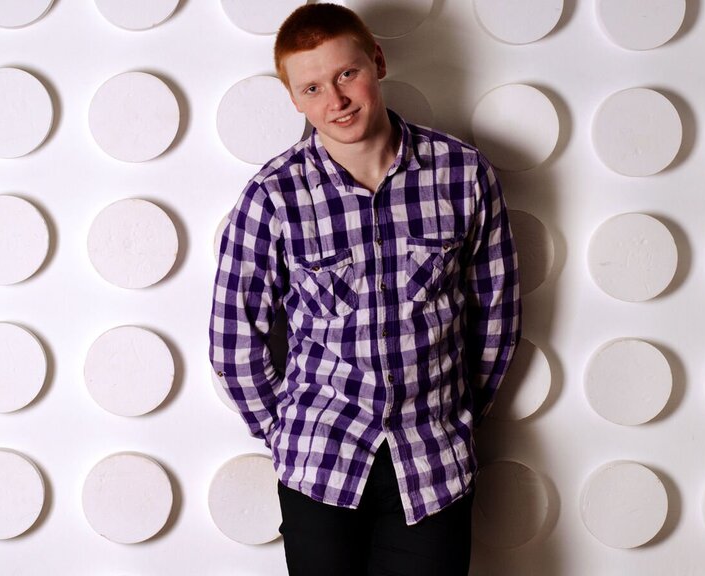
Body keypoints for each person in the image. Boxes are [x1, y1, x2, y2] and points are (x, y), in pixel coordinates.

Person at [209, 4, 521, 574]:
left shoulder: (463, 174)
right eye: (312, 87)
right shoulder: (273, 197)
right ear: (294, 99)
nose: (336, 100)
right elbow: (234, 341)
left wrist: (457, 414)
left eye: (346, 74)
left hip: (433, 466)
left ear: (376, 61)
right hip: (319, 467)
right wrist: (282, 431)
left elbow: (495, 314)